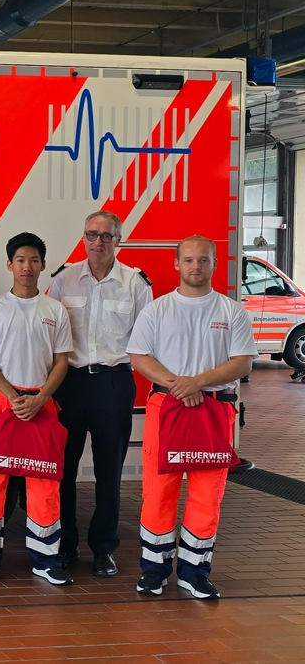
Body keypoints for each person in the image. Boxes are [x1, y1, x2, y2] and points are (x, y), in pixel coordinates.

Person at [127, 235, 256, 600]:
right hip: (166, 408)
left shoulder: (232, 311)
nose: (195, 266)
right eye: (188, 260)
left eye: (203, 260)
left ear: (215, 264)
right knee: (158, 492)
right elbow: (140, 358)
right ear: (176, 264)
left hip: (214, 411)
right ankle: (153, 571)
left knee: (207, 494)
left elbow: (242, 362)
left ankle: (194, 573)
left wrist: (196, 383)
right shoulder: (158, 310)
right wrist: (181, 386)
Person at [48, 211, 152, 577]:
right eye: (91, 234)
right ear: (83, 237)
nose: (98, 242)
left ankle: (104, 549)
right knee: (63, 469)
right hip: (70, 383)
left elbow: (145, 341)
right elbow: (50, 334)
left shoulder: (135, 284)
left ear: (118, 240)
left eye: (106, 236)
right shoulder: (63, 280)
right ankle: (65, 545)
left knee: (110, 471)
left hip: (114, 383)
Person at [0, 232, 74, 586]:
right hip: (4, 402)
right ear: (9, 265)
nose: (26, 267)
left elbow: (62, 361)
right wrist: (13, 395)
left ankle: (46, 559)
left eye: (33, 260)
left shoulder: (54, 310)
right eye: (20, 260)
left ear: (43, 265)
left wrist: (41, 397)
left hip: (41, 403)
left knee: (44, 483)